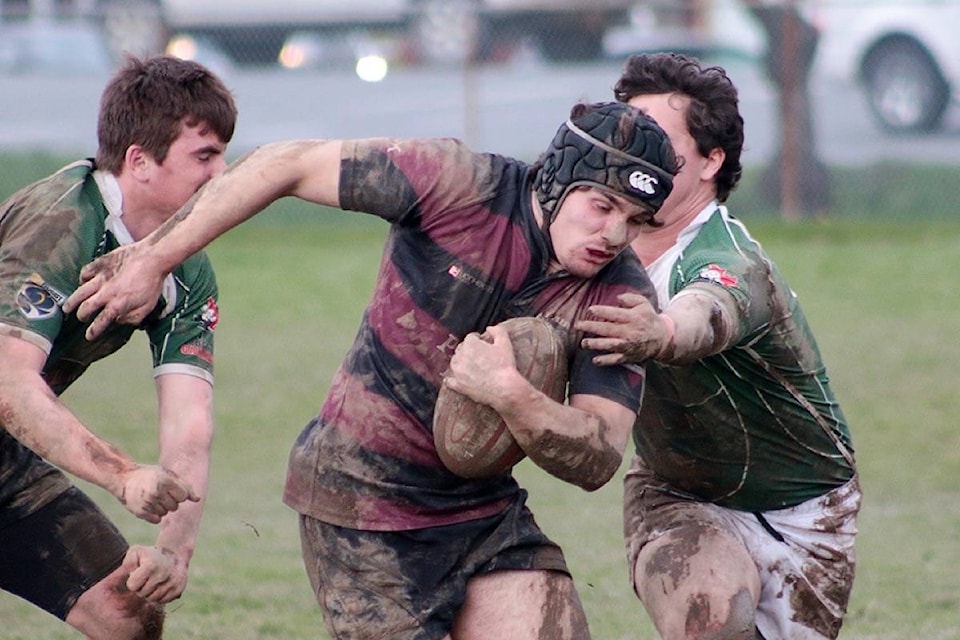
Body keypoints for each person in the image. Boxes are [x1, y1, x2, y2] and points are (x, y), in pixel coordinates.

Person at [63, 101, 679, 639]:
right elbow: (286, 163)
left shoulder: (619, 301)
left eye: (635, 221)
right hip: (358, 500)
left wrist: (512, 396)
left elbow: (599, 457)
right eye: (602, 206)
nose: (614, 234)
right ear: (557, 181)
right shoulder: (460, 184)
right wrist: (154, 257)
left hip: (482, 513)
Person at [575, 52, 860, 639]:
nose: (637, 155)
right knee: (709, 615)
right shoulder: (590, 245)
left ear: (711, 161)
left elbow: (709, 308)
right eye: (629, 135)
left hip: (807, 510)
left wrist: (662, 332)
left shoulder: (729, 257)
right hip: (676, 493)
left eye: (657, 140)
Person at [0, 54, 237, 638]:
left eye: (224, 154)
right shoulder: (62, 223)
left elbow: (189, 421)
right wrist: (124, 474)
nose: (223, 174)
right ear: (140, 161)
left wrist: (173, 553)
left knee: (125, 611)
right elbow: (8, 383)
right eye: (204, 156)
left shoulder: (185, 264)